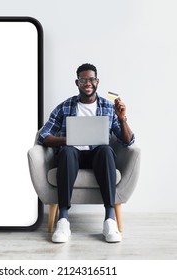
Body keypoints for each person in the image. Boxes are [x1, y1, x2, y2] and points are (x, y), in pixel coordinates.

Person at [37, 63, 135, 243]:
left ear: (97, 82)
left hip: (98, 157)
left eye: (91, 79)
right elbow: (43, 136)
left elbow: (127, 140)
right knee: (67, 151)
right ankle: (64, 220)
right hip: (72, 157)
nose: (87, 83)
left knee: (106, 150)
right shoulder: (65, 106)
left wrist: (122, 119)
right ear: (77, 82)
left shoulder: (108, 107)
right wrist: (70, 139)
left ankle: (109, 220)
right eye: (83, 80)